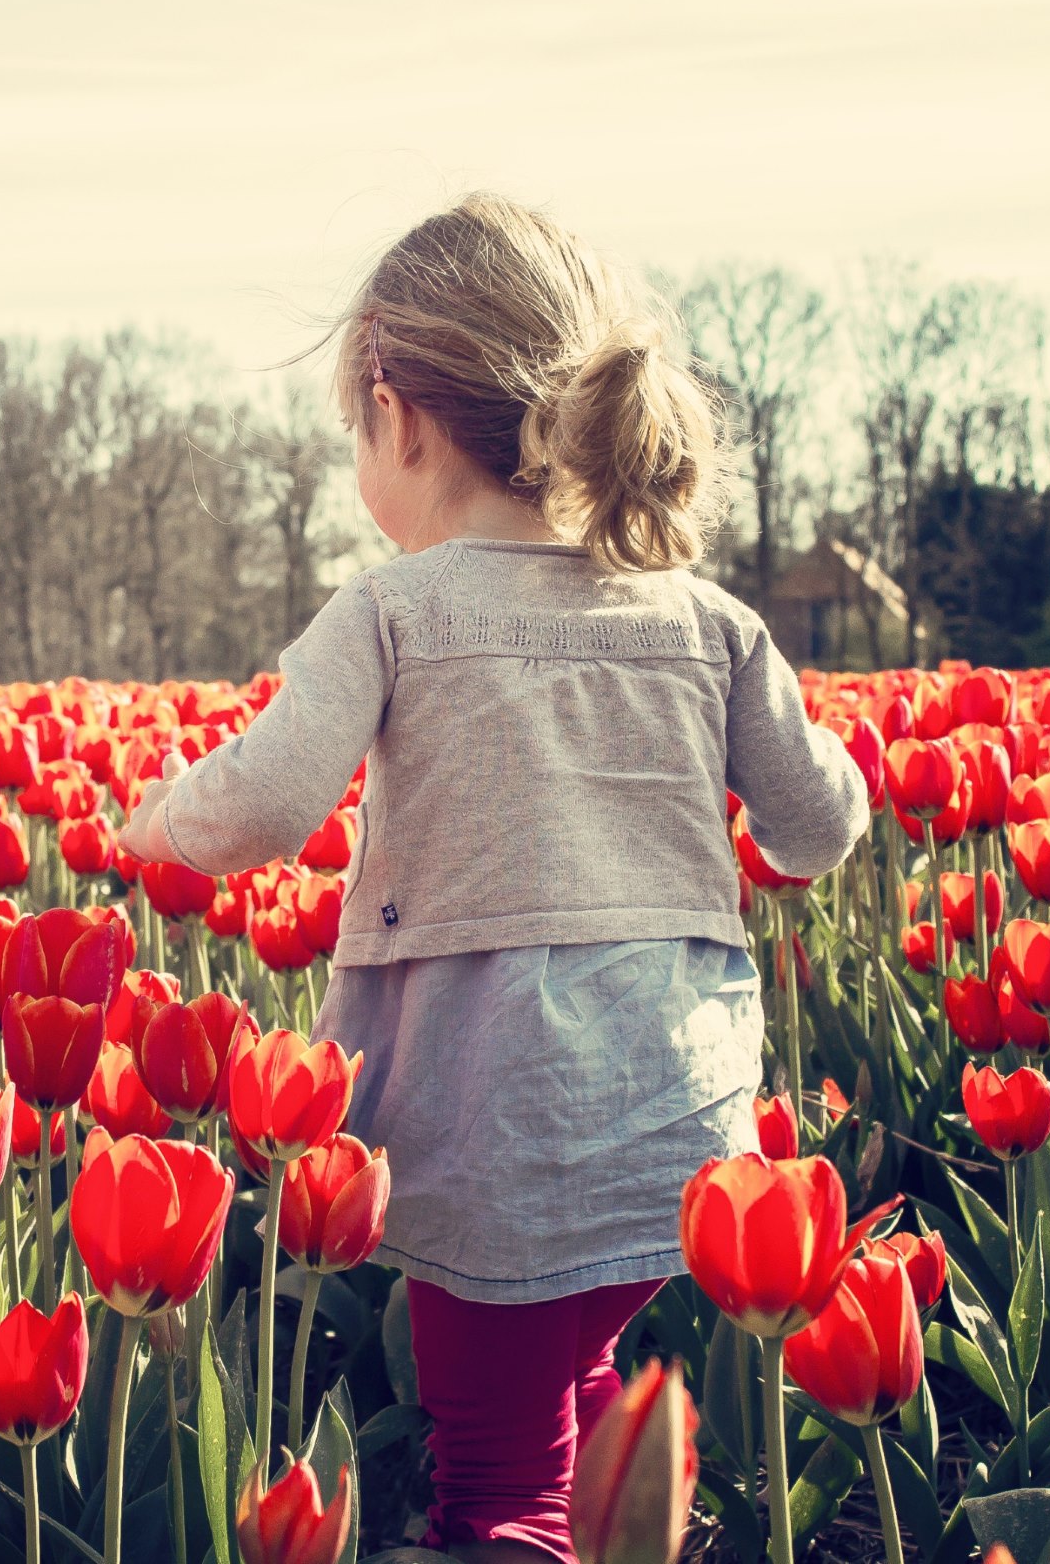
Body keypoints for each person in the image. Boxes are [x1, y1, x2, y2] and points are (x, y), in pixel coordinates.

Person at [116, 194, 865, 1564]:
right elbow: (815, 830)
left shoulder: (397, 609)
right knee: (584, 1393)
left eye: (357, 429)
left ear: (396, 416)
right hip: (682, 1118)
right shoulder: (708, 619)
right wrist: (846, 767)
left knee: (500, 1482)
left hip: (496, 1107)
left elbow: (268, 803)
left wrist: (155, 822)